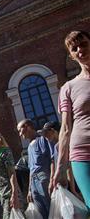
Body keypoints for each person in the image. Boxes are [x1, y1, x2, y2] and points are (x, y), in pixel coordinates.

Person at [52, 30, 90, 209]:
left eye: (83, 44)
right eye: (74, 48)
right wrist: (60, 167)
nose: (80, 50)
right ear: (72, 56)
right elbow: (65, 129)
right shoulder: (68, 87)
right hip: (81, 153)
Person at [38, 121, 83, 201]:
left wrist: (73, 190)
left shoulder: (60, 146)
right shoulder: (55, 147)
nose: (45, 137)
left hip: (74, 183)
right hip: (68, 184)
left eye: (46, 133)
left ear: (53, 131)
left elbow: (69, 167)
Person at [17, 119, 52, 219]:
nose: (20, 134)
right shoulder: (29, 147)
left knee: (51, 209)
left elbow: (52, 159)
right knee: (41, 213)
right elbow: (31, 169)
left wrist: (53, 178)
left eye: (20, 130)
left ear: (27, 126)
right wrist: (29, 190)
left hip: (43, 178)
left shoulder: (42, 140)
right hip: (33, 183)